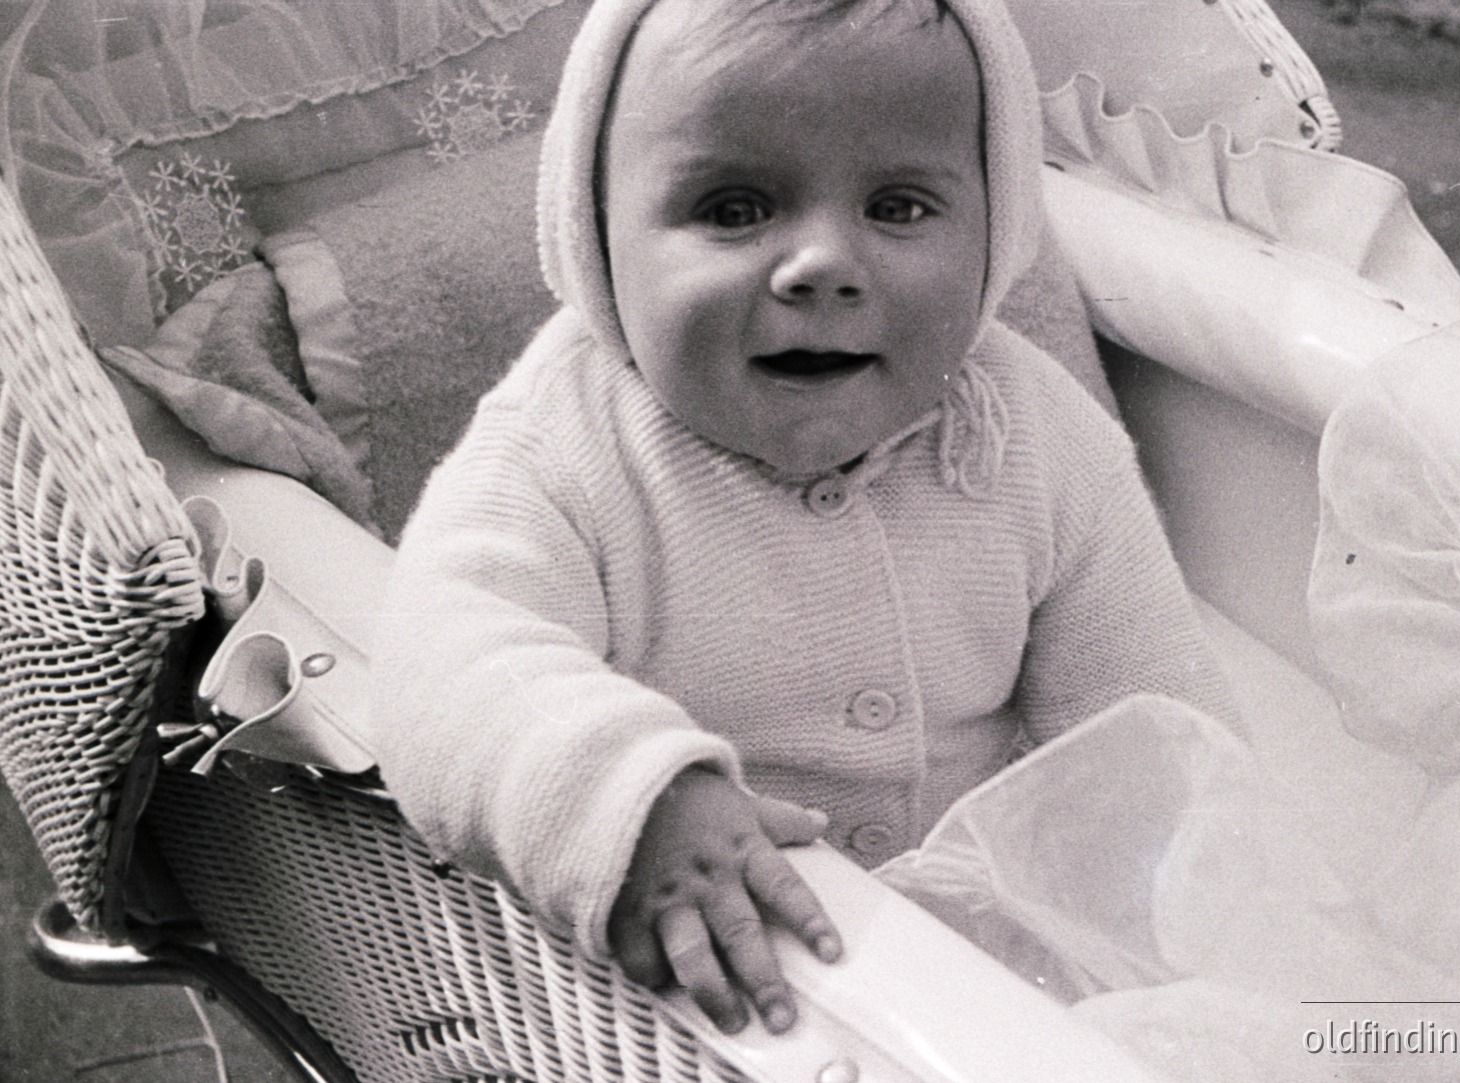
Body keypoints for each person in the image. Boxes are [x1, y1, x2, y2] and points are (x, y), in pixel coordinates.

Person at [371, 0, 1236, 1040]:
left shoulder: (1039, 438)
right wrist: (625, 800)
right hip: (674, 992)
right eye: (735, 208)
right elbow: (445, 657)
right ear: (598, 235)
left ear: (995, 234)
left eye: (902, 207)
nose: (822, 264)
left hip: (969, 990)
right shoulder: (563, 447)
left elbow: (1150, 718)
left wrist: (1188, 921)